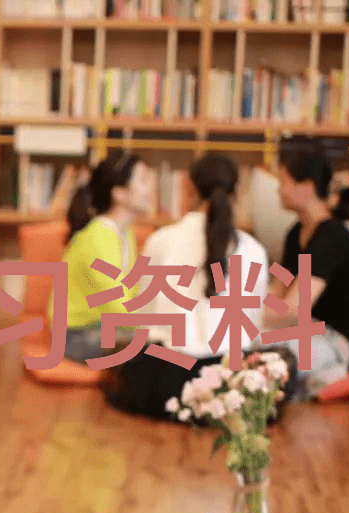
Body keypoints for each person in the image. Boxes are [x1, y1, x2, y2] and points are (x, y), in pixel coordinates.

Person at [103, 153, 269, 418]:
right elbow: (253, 329)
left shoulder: (161, 241)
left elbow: (144, 319)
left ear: (189, 190)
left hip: (166, 381)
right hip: (229, 381)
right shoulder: (254, 250)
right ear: (238, 192)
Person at [263, 138, 349, 398]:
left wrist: (254, 314)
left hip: (338, 342)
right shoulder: (294, 235)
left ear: (307, 187)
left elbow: (294, 309)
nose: (278, 189)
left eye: (284, 181)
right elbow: (276, 291)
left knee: (273, 357)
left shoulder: (331, 238)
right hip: (308, 330)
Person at [57, 152, 154, 364]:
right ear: (119, 193)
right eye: (144, 179)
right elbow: (117, 304)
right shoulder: (99, 235)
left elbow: (131, 293)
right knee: (157, 348)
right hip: (77, 335)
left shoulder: (125, 232)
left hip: (107, 328)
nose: (151, 187)